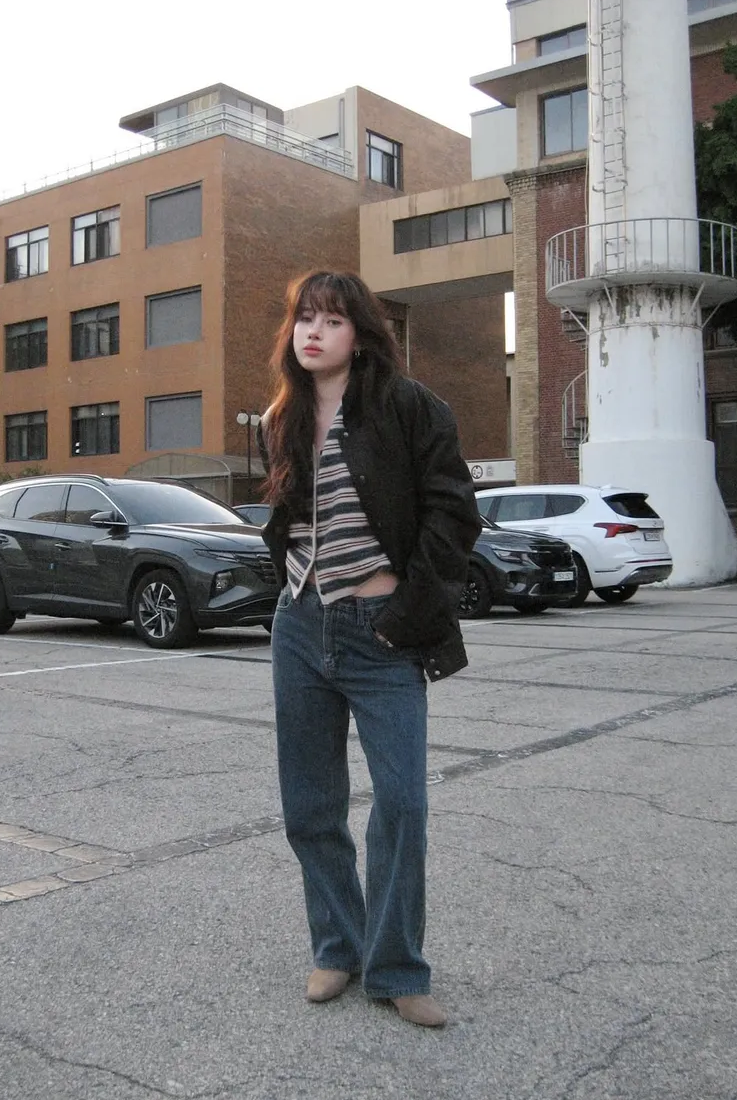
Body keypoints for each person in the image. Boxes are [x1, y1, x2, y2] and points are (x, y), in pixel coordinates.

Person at [257, 270, 481, 1028]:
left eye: (331, 319)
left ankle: (396, 967)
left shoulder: (408, 407)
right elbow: (290, 522)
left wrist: (406, 615)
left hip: (383, 628)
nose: (313, 332)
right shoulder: (280, 418)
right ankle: (337, 946)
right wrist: (290, 595)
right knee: (310, 805)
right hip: (301, 626)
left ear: (359, 334)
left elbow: (453, 515)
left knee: (403, 802)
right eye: (304, 319)